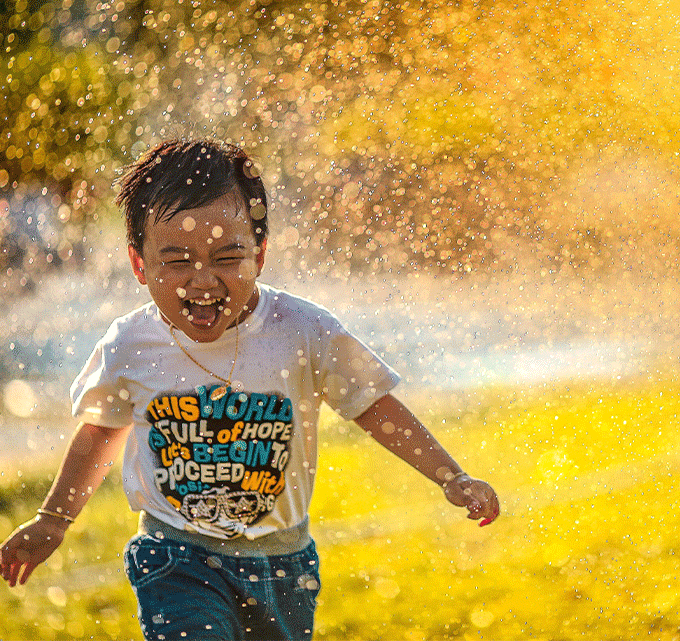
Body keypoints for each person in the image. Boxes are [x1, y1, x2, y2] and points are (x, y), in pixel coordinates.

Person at [0, 137, 499, 641]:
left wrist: (450, 476)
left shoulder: (303, 330)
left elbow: (372, 405)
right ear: (138, 264)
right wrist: (53, 518)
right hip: (176, 556)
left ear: (259, 255)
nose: (202, 281)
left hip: (283, 563)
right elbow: (102, 431)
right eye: (176, 261)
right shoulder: (131, 344)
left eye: (226, 256)